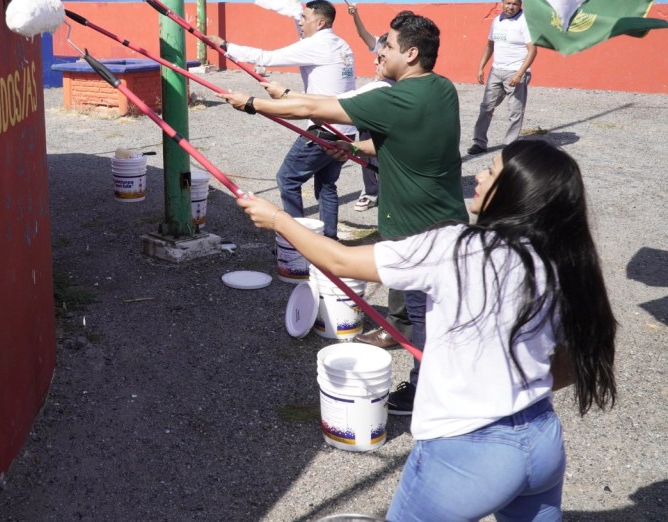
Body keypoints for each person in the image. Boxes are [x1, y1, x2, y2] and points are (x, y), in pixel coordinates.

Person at [236, 139, 617, 521]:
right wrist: (507, 389)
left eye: (491, 171)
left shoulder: (457, 248)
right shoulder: (559, 261)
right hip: (541, 438)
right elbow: (571, 363)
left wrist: (279, 220)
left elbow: (340, 260)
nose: (478, 177)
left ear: (517, 191)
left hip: (467, 452)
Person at [220, 11, 467, 414]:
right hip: (447, 221)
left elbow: (315, 107)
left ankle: (427, 393)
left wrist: (252, 104)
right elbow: (405, 140)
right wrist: (354, 147)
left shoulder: (395, 98)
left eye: (387, 45)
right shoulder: (441, 89)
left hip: (416, 231)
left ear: (411, 53)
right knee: (429, 311)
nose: (379, 52)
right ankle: (428, 373)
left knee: (426, 318)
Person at [210, 0, 355, 238]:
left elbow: (266, 57)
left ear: (320, 23)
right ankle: (329, 239)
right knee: (326, 184)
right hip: (346, 129)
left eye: (305, 18)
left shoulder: (317, 44)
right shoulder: (341, 44)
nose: (301, 22)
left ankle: (298, 241)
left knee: (287, 179)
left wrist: (226, 46)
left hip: (325, 129)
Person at [468, 0, 538, 155]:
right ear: (502, 3)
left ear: (520, 5)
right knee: (486, 107)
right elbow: (490, 45)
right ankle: (479, 142)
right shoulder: (497, 21)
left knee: (515, 111)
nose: (510, 7)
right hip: (496, 71)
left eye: (514, 4)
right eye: (508, 3)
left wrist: (519, 74)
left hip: (515, 72)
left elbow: (533, 50)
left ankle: (509, 146)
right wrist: (481, 66)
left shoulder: (524, 22)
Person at [346, 4, 394, 211]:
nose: (376, 62)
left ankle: (389, 192)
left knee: (386, 150)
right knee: (366, 147)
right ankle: (371, 191)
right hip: (373, 108)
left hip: (386, 108)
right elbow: (363, 34)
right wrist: (355, 15)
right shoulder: (383, 44)